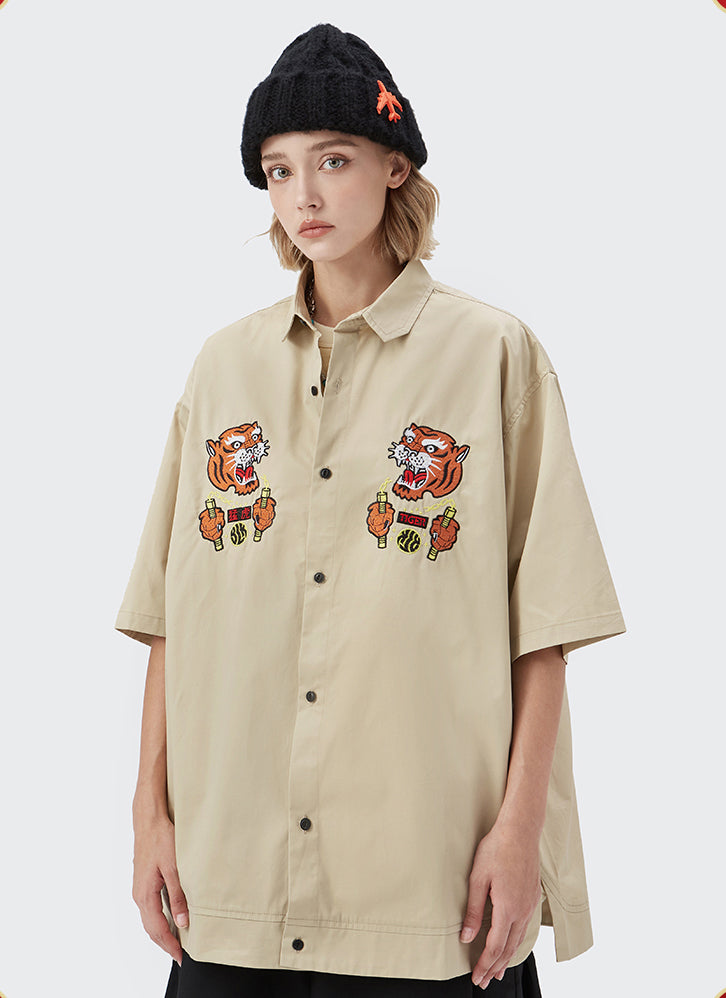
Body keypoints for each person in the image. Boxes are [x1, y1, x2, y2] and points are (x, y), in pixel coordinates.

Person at [116, 22, 626, 997]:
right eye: (279, 170)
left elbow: (548, 630)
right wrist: (150, 817)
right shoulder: (223, 368)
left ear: (396, 166)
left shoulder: (493, 355)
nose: (303, 195)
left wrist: (521, 833)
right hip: (232, 888)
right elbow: (170, 619)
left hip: (428, 894)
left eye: (334, 160)